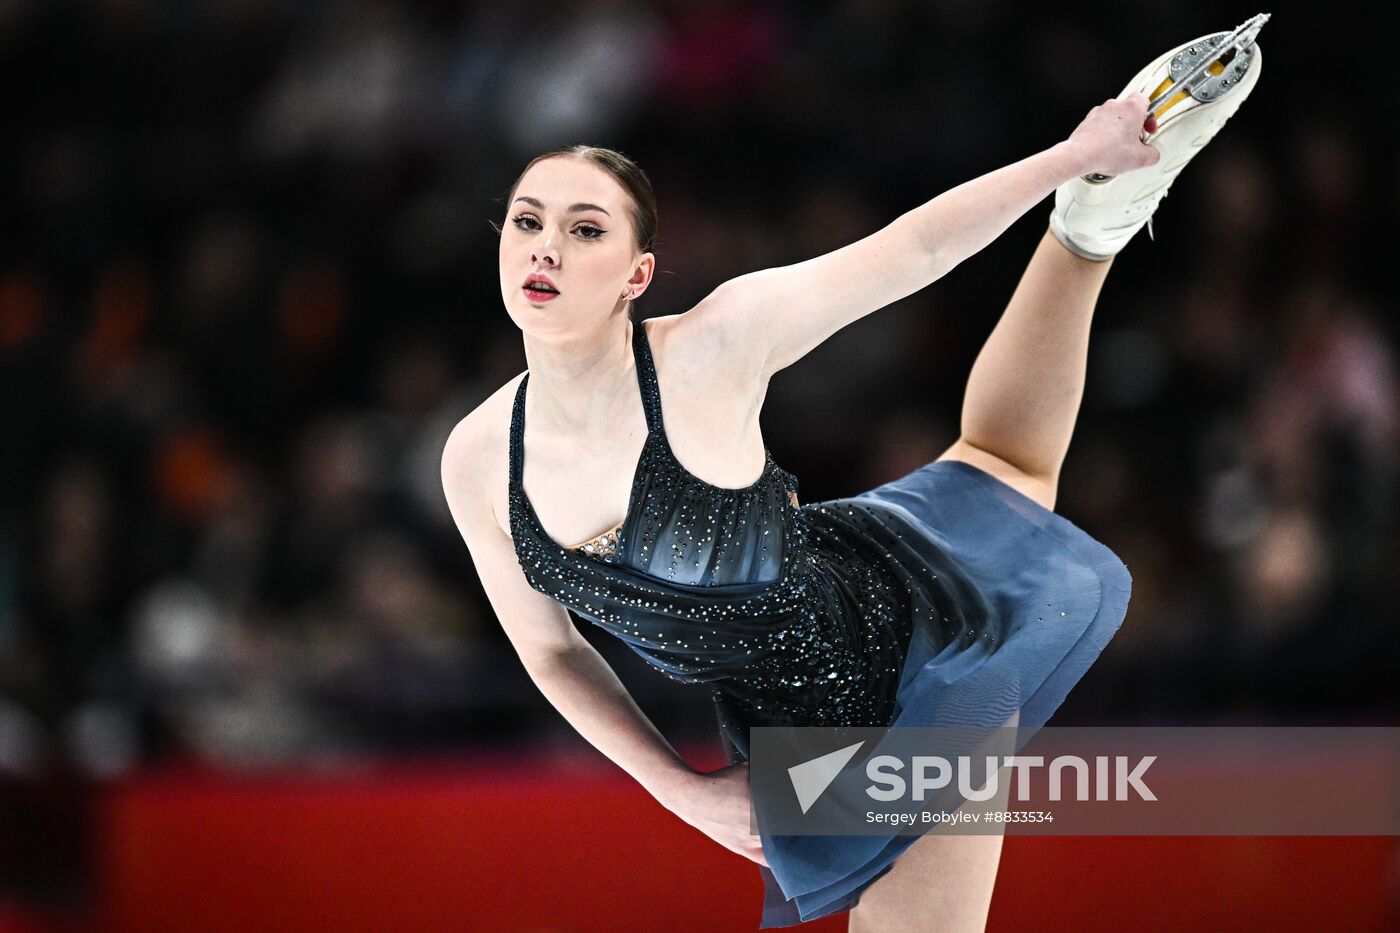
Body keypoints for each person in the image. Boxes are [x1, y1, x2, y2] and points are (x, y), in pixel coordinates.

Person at [441, 25, 1263, 932]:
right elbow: (551, 652)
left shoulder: (710, 347)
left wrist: (1075, 150)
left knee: (1006, 462)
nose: (545, 248)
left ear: (637, 274)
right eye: (527, 220)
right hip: (783, 726)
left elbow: (910, 251)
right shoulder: (477, 459)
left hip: (911, 670)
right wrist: (683, 792)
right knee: (1001, 461)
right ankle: (1093, 228)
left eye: (583, 229)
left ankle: (1087, 211)